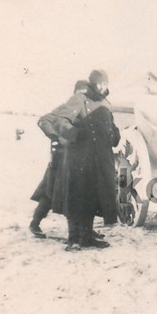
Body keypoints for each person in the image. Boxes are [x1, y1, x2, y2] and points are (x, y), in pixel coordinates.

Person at [34, 69, 119, 250]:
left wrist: (114, 135)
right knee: (76, 198)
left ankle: (87, 237)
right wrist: (74, 134)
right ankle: (73, 239)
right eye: (100, 83)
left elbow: (111, 125)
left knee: (93, 199)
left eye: (106, 83)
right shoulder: (79, 99)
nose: (103, 87)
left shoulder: (106, 103)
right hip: (79, 159)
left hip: (100, 160)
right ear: (93, 84)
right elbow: (60, 120)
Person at [54, 104, 120, 250]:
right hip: (73, 164)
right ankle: (73, 240)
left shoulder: (101, 113)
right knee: (73, 201)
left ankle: (85, 237)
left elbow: (114, 138)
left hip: (91, 165)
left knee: (88, 200)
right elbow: (56, 124)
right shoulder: (72, 112)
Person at [29, 79, 89, 238]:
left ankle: (85, 229)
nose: (83, 97)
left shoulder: (87, 111)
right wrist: (56, 137)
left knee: (80, 194)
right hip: (60, 158)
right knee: (49, 191)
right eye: (80, 93)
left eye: (86, 93)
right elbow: (44, 120)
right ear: (75, 93)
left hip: (77, 159)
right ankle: (35, 223)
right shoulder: (65, 108)